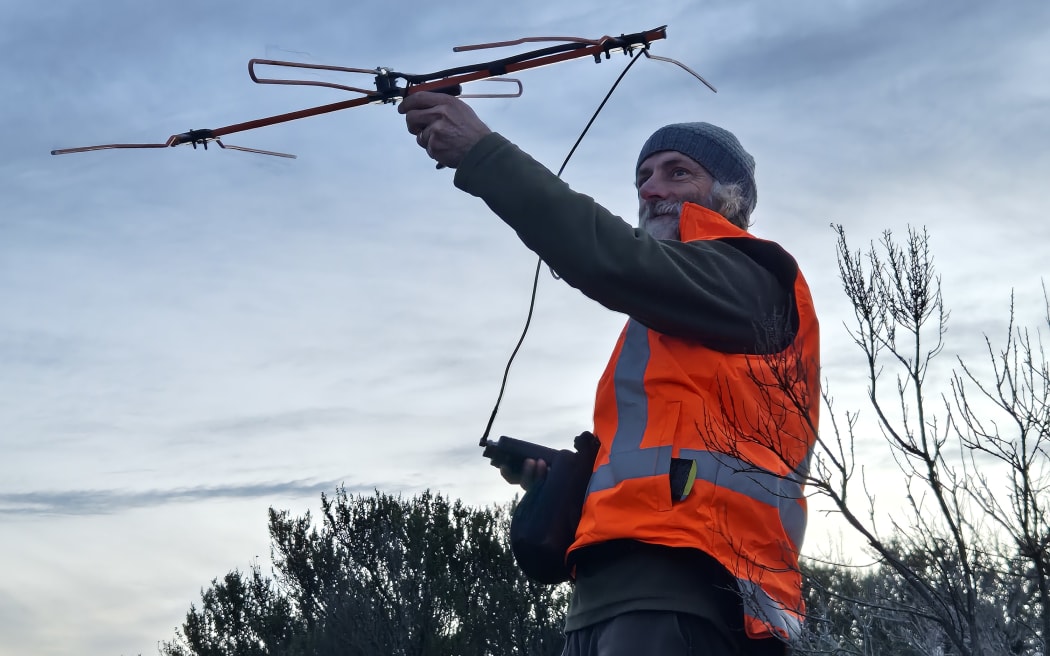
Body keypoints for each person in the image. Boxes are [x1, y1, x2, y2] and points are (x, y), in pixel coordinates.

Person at [399, 92, 820, 656]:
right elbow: (670, 453)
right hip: (612, 596)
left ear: (732, 196)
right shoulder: (671, 312)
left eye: (678, 173)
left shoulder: (750, 280)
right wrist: (571, 478)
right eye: (644, 176)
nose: (652, 188)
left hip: (690, 587)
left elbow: (609, 257)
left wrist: (483, 153)